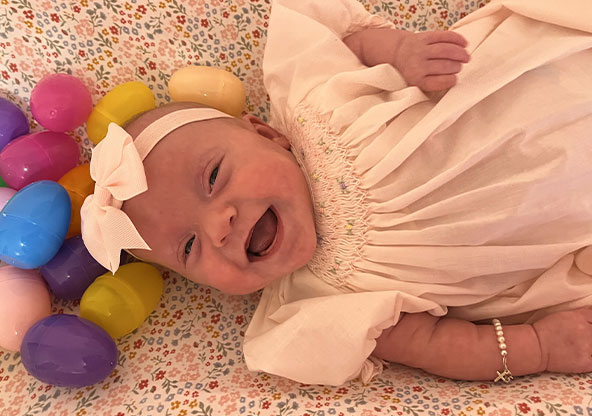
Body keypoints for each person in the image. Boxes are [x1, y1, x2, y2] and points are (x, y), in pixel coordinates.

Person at [80, 0, 592, 386]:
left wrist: (399, 51)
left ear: (265, 133)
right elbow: (439, 344)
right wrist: (539, 348)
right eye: (188, 248)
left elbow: (346, 42)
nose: (218, 225)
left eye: (213, 177)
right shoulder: (322, 303)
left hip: (540, 97)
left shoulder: (312, 107)